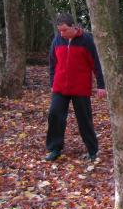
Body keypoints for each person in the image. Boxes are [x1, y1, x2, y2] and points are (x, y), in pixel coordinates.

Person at [45, 13, 106, 162]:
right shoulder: (57, 40)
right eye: (60, 30)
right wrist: (52, 83)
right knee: (54, 115)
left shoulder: (86, 40)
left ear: (73, 27)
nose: (62, 33)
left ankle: (92, 150)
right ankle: (55, 148)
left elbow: (97, 64)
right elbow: (52, 63)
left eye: (64, 30)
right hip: (60, 87)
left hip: (80, 87)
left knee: (84, 119)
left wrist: (101, 85)